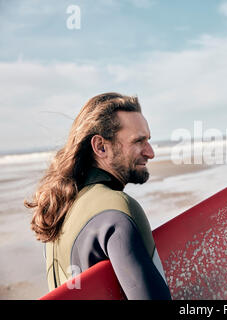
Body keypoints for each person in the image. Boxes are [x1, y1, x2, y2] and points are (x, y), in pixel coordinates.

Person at [24, 92, 172, 300]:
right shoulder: (117, 210)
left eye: (148, 140)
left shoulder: (58, 211)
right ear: (101, 147)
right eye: (139, 141)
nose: (150, 152)